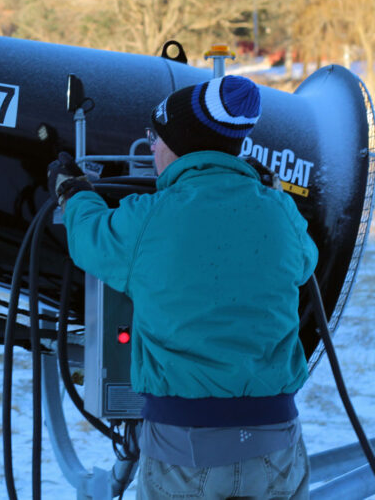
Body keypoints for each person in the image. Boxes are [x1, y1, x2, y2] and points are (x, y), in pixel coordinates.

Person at [47, 75, 317, 500]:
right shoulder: (278, 210)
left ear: (179, 146)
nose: (152, 148)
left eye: (156, 138)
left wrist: (73, 191)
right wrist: (273, 195)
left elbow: (90, 237)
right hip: (276, 445)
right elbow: (305, 262)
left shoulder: (150, 217)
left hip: (184, 450)